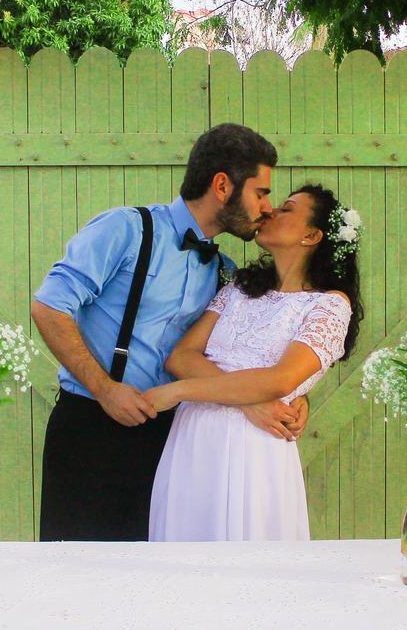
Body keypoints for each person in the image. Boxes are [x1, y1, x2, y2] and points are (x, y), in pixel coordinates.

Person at [31, 123, 311, 541]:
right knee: (79, 566)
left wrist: (293, 395)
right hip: (92, 428)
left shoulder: (227, 273)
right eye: (261, 193)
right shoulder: (125, 230)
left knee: (166, 568)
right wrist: (105, 389)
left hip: (177, 438)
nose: (267, 208)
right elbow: (49, 306)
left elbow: (247, 356)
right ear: (222, 185)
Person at [146, 183, 364, 541]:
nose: (270, 211)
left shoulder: (329, 306)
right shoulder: (239, 289)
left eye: (287, 208)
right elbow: (181, 356)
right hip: (194, 439)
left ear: (311, 236)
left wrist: (180, 391)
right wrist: (251, 401)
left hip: (255, 448)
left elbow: (281, 380)